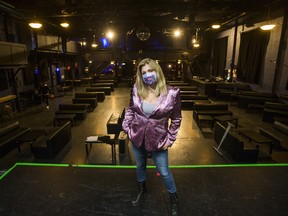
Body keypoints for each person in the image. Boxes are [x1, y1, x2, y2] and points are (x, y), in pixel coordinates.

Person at [122, 58, 182, 215]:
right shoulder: (137, 89)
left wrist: (170, 139)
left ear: (157, 71)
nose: (147, 75)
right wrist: (127, 127)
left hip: (159, 140)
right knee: (140, 166)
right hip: (137, 136)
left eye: (150, 70)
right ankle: (142, 189)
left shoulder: (172, 93)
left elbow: (176, 119)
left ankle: (174, 198)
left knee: (164, 171)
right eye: (144, 73)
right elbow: (130, 109)